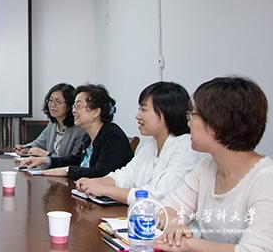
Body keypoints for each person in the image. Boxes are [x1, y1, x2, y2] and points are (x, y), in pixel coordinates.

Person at [154, 77, 273, 252]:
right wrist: (174, 225)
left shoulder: (266, 180)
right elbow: (166, 207)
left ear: (216, 125)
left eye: (192, 115)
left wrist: (188, 244)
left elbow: (255, 250)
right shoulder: (205, 168)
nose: (188, 122)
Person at [76, 81, 202, 205]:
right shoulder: (150, 146)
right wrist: (95, 182)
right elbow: (125, 176)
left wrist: (104, 189)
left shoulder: (185, 148)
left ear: (167, 112)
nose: (138, 116)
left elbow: (156, 197)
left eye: (144, 109)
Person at [19, 84, 133, 180]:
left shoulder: (112, 136)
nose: (73, 110)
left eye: (78, 106)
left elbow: (100, 173)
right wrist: (44, 160)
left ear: (96, 112)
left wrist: (66, 170)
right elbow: (75, 160)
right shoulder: (88, 136)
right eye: (74, 106)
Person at [14, 83, 86, 157]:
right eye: (50, 100)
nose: (52, 105)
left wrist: (46, 154)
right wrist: (25, 148)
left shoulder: (79, 130)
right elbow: (39, 143)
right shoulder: (52, 124)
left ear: (69, 106)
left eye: (57, 102)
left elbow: (74, 160)